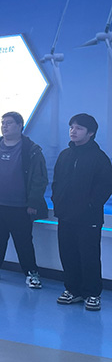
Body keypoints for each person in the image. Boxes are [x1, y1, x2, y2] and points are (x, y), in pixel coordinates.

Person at [0, 111, 48, 288]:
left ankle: (31, 273)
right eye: (3, 123)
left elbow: (39, 178)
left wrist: (33, 203)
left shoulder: (31, 150)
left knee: (24, 242)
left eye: (9, 123)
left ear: (20, 126)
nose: (4, 126)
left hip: (20, 207)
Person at [52, 114, 112, 311]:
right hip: (66, 215)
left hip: (88, 218)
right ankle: (73, 290)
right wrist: (57, 201)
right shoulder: (64, 155)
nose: (73, 131)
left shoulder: (99, 158)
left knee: (89, 256)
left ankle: (92, 294)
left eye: (79, 128)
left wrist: (90, 205)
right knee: (67, 254)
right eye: (71, 127)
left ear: (91, 133)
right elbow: (57, 182)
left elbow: (105, 187)